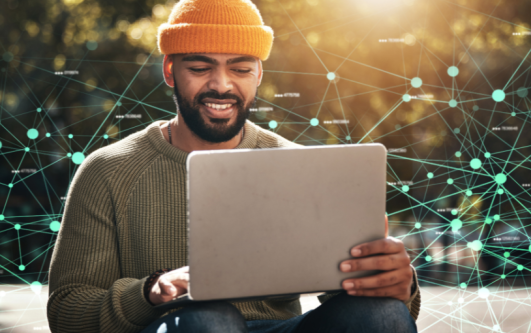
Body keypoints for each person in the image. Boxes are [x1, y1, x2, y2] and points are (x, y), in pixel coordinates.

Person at [46, 0, 421, 332]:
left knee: (382, 315)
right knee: (209, 319)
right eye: (200, 67)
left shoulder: (300, 167)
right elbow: (67, 313)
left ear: (258, 75)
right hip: (182, 328)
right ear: (170, 70)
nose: (221, 85)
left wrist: (396, 283)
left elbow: (384, 305)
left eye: (240, 69)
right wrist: (148, 293)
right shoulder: (107, 171)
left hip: (279, 327)